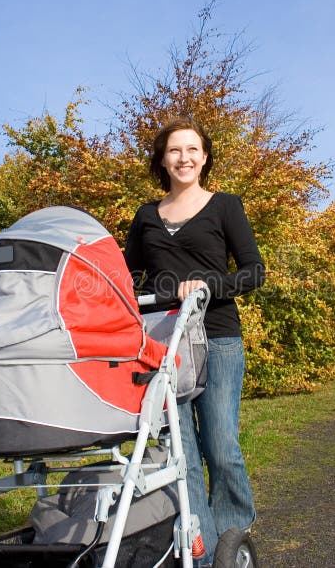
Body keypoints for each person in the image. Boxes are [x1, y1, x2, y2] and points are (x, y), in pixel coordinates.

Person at [124, 117, 265, 565]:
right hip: (165, 345)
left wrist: (206, 285)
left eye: (192, 150)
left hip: (218, 337)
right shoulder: (146, 215)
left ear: (204, 158)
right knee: (180, 454)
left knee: (221, 445)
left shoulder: (225, 206)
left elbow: (253, 271)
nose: (183, 158)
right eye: (173, 151)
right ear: (162, 160)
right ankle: (200, 552)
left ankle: (232, 536)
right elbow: (128, 277)